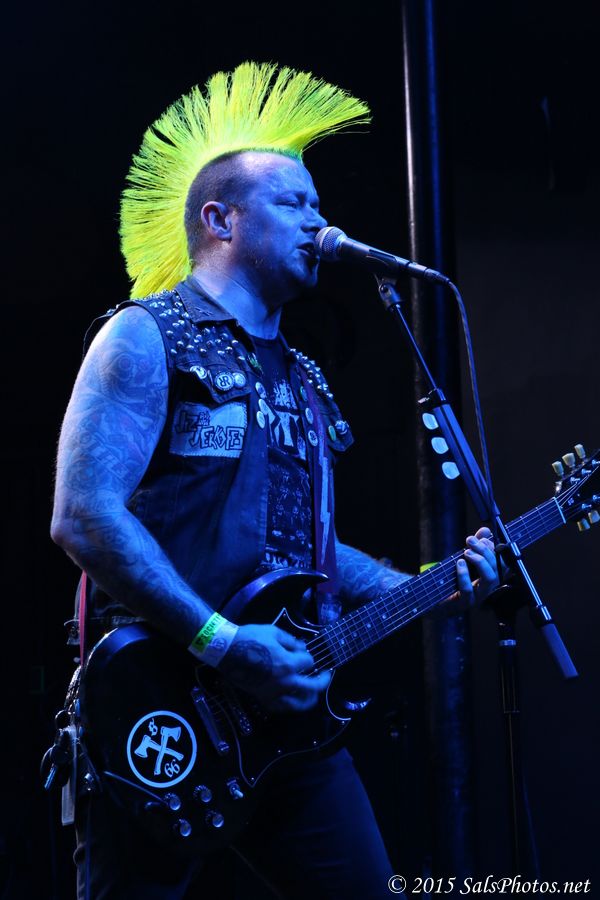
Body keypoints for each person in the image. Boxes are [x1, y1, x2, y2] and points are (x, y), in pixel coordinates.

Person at [50, 63, 499, 899]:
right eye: (294, 203)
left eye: (318, 205)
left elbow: (311, 554)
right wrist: (224, 642)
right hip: (160, 706)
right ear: (219, 219)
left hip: (284, 720)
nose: (321, 223)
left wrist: (429, 587)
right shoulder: (145, 337)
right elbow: (83, 515)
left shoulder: (302, 376)